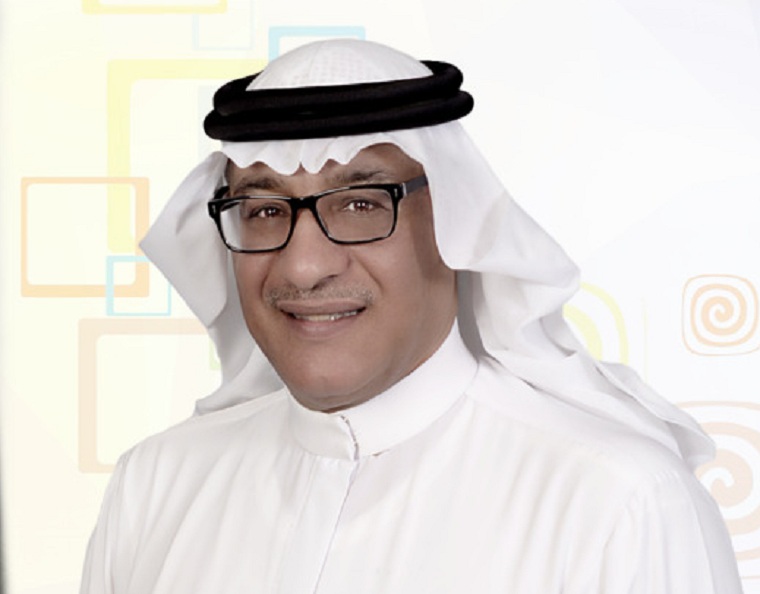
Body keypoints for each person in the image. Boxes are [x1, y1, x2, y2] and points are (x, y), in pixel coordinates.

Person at [80, 39, 743, 593]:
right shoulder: (156, 486)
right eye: (264, 210)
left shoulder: (614, 504)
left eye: (361, 204)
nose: (303, 267)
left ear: (455, 224)